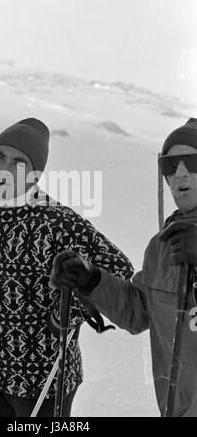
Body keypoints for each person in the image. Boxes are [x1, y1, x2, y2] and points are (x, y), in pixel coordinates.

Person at [0, 117, 134, 417]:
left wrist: (67, 314)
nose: (6, 169)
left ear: (35, 175)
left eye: (19, 163)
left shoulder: (54, 221)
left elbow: (118, 267)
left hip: (44, 380)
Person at [50, 117, 197, 417]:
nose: (180, 173)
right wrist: (91, 280)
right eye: (170, 165)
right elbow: (138, 312)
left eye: (192, 161)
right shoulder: (161, 247)